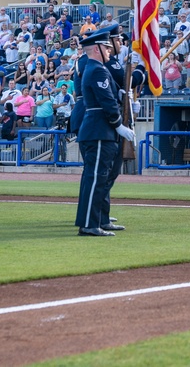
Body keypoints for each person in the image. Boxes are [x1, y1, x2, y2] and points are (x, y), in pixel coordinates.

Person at [73, 26, 135, 236]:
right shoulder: (97, 69)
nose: (110, 51)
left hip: (99, 129)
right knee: (97, 178)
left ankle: (99, 219)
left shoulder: (98, 69)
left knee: (99, 177)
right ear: (97, 49)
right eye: (107, 47)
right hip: (99, 130)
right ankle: (91, 225)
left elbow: (111, 95)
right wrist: (119, 124)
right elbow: (107, 102)